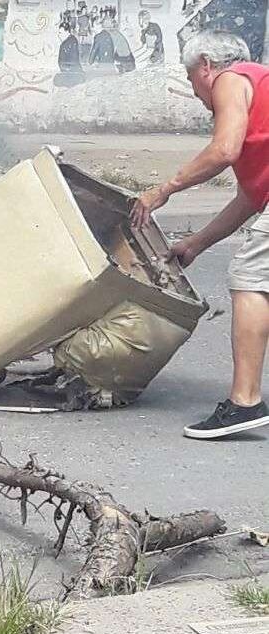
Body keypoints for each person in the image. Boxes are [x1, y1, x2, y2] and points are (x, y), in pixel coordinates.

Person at [131, 30, 269, 439]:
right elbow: (250, 199)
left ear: (206, 65)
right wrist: (196, 243)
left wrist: (164, 189)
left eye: (192, 78)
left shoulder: (231, 79)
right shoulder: (258, 92)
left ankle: (244, 402)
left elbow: (223, 150)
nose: (195, 91)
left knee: (250, 278)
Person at [55, 20, 86, 86]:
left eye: (60, 33)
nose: (58, 35)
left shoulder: (66, 44)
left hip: (70, 74)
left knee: (56, 80)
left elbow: (68, 62)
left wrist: (66, 70)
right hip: (74, 72)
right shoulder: (72, 39)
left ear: (67, 32)